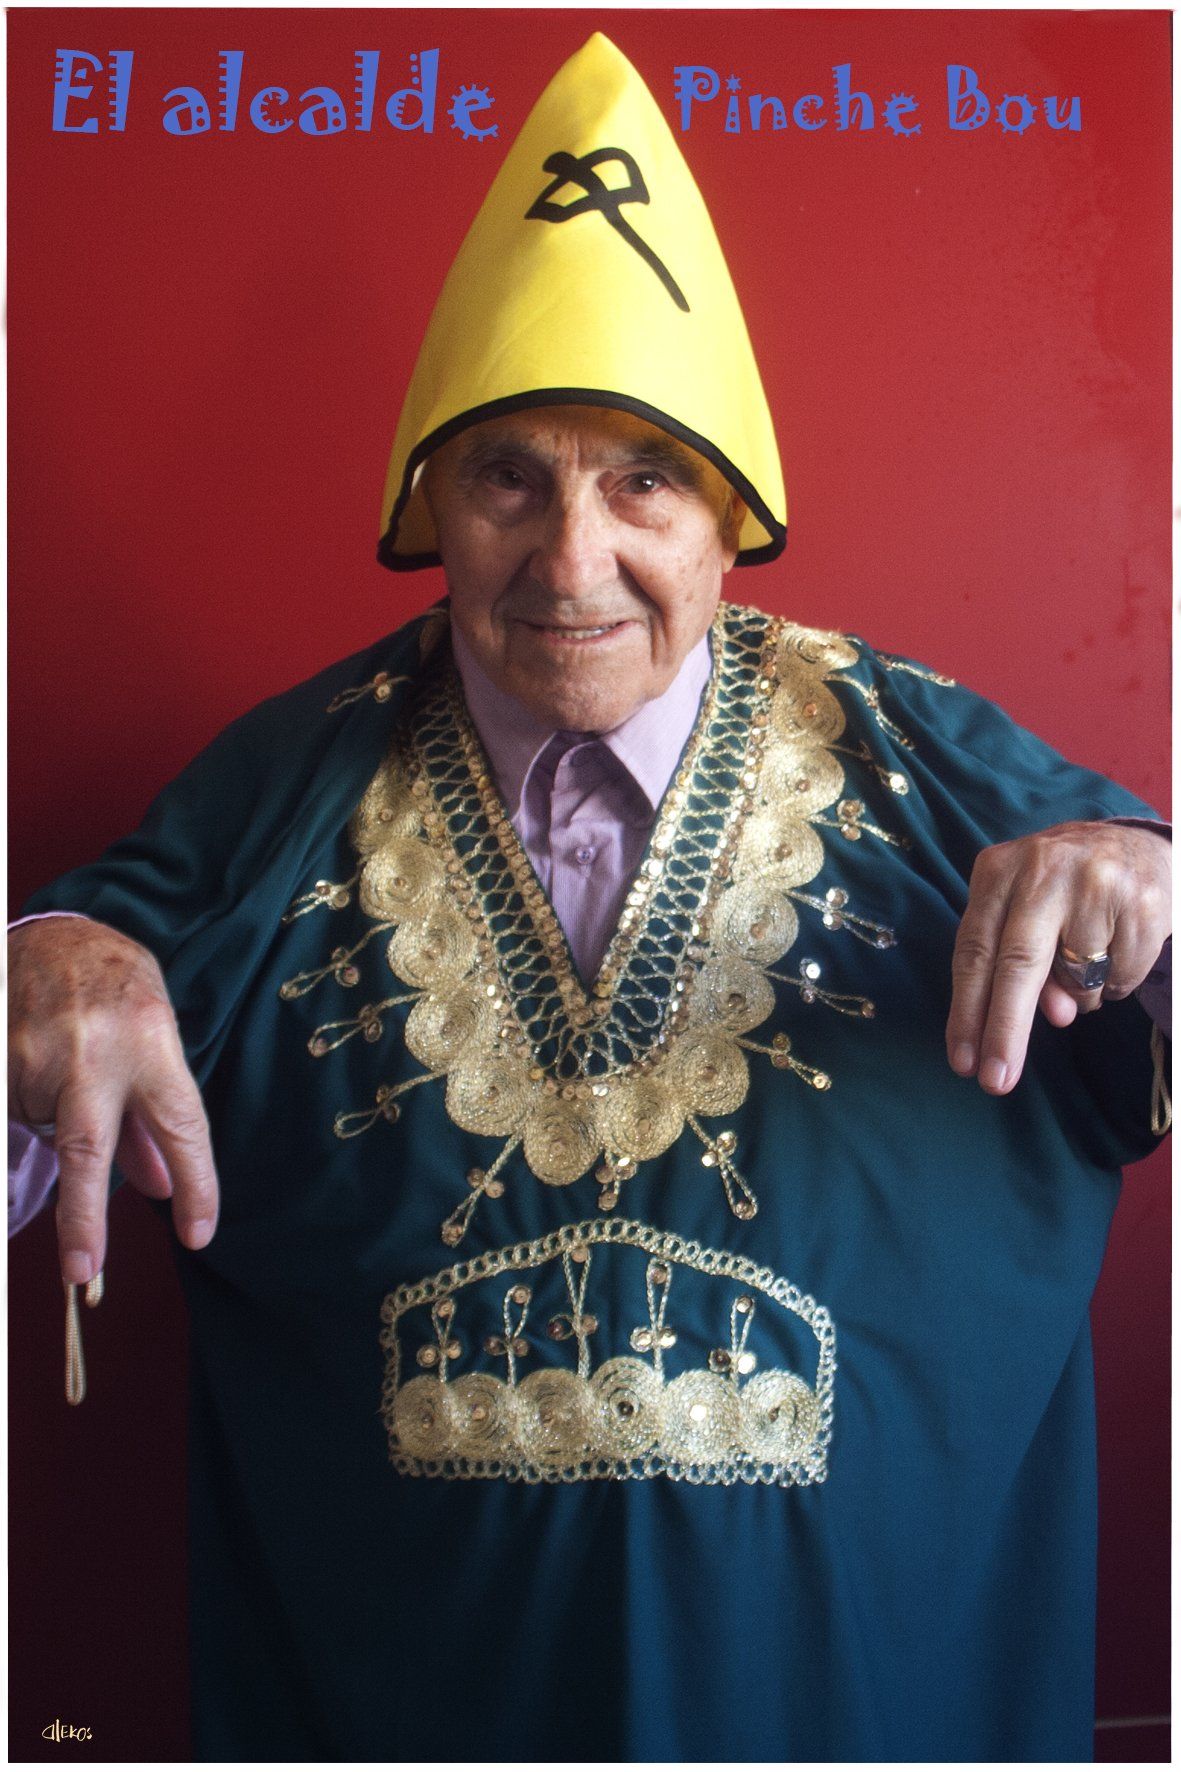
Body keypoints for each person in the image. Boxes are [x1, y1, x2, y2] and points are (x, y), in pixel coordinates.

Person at [8, 33, 1171, 1761]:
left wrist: (1149, 879)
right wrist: (40, 956)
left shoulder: (939, 767)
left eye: (643, 479)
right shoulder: (274, 787)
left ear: (731, 523)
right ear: (430, 505)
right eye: (507, 478)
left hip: (867, 1707)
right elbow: (44, 1084)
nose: (571, 560)